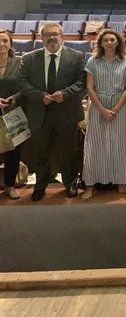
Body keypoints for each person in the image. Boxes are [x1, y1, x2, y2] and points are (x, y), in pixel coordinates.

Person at [18, 22, 86, 201]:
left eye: (55, 34)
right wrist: (40, 96)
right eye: (48, 34)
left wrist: (65, 94)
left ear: (62, 36)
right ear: (42, 38)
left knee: (69, 151)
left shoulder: (77, 56)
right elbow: (22, 83)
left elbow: (82, 82)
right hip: (39, 112)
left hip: (67, 112)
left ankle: (70, 183)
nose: (52, 38)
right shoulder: (29, 58)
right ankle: (41, 185)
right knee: (40, 152)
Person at [81, 29, 126, 200]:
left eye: (113, 39)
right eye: (106, 40)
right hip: (98, 105)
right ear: (101, 43)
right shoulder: (93, 61)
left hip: (121, 105)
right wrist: (103, 110)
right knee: (95, 145)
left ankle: (121, 180)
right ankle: (91, 184)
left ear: (118, 42)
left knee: (120, 143)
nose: (109, 42)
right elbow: (89, 88)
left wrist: (117, 108)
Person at [0, 30, 23, 199]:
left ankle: (10, 186)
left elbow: (27, 85)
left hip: (15, 112)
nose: (1, 45)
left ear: (10, 44)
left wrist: (15, 97)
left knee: (14, 152)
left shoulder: (20, 63)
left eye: (5, 41)